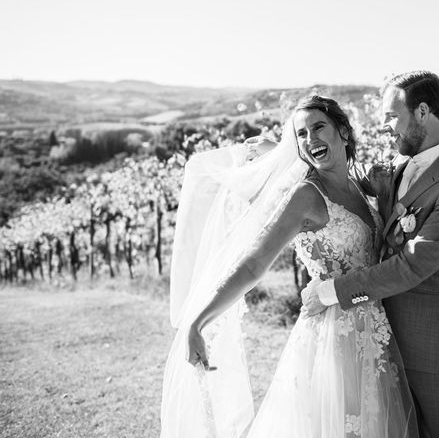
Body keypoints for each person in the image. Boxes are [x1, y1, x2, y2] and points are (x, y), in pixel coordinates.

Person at [161, 95, 417, 438]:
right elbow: (253, 264)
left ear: (343, 131)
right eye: (300, 134)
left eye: (318, 127)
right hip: (331, 339)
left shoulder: (361, 188)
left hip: (376, 332)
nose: (310, 139)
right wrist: (199, 322)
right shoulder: (305, 196)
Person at [302, 71, 439, 438]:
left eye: (391, 116)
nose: (384, 126)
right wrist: (290, 160)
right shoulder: (399, 165)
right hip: (387, 343)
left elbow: (411, 266)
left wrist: (330, 292)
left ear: (422, 112)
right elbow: (342, 184)